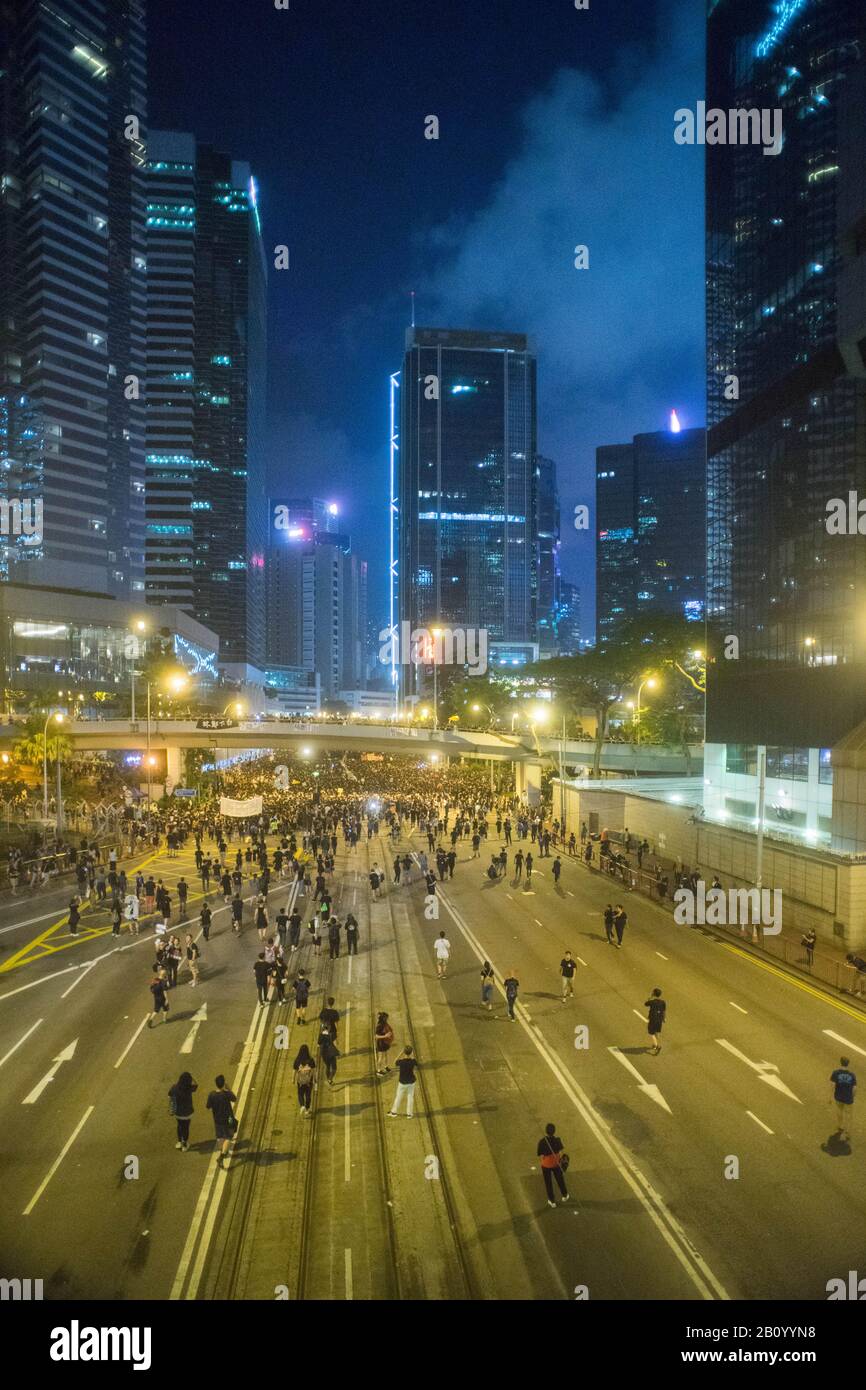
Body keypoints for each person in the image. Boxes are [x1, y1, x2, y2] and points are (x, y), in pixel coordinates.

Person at [206, 1075, 237, 1166]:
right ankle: (222, 1155)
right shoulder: (226, 1094)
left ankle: (223, 1149)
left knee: (220, 1136)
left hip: (217, 1119)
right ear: (223, 1083)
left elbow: (208, 1107)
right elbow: (234, 1099)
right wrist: (229, 1089)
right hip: (229, 1119)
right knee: (229, 1136)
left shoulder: (211, 1094)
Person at [537, 1122, 570, 1207]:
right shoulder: (557, 1140)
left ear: (546, 1131)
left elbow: (540, 1154)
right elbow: (561, 1151)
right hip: (556, 1163)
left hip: (546, 1165)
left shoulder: (542, 1142)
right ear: (554, 1131)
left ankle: (552, 1201)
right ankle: (565, 1195)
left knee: (548, 1183)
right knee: (560, 1180)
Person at [168, 1071, 197, 1151]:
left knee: (179, 1126)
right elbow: (196, 1085)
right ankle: (185, 1144)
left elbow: (169, 1095)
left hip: (178, 1112)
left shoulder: (174, 1087)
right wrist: (192, 1077)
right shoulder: (189, 1088)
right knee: (186, 1127)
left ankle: (179, 1142)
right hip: (187, 1112)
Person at [830, 1055, 856, 1142]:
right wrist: (852, 1096)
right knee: (848, 1115)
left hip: (838, 1096)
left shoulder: (836, 1073)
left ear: (841, 1063)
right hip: (848, 1098)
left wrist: (830, 1097)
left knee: (839, 1111)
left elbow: (832, 1085)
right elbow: (854, 1088)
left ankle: (840, 1126)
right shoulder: (852, 1075)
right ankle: (847, 1130)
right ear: (848, 1064)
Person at [388, 1045, 419, 1118]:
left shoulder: (401, 1062)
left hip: (402, 1082)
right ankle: (409, 1114)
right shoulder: (413, 1061)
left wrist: (401, 1053)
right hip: (411, 1082)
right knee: (410, 1097)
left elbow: (395, 1061)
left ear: (404, 1052)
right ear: (411, 1053)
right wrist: (411, 1054)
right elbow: (416, 1062)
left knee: (398, 1097)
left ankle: (393, 1112)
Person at [293, 1044, 316, 1114]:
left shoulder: (297, 1060)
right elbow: (313, 1071)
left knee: (300, 1094)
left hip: (300, 1081)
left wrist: (293, 1079)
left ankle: (302, 1105)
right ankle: (307, 1109)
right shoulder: (311, 1060)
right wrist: (314, 1079)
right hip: (309, 1081)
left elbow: (294, 1070)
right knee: (308, 1095)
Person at [645, 987, 666, 1054]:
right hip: (659, 1019)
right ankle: (655, 1044)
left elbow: (646, 1004)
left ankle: (657, 1046)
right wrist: (664, 1018)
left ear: (654, 993)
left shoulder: (652, 1002)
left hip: (653, 1019)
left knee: (651, 1033)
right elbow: (664, 1011)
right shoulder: (663, 1002)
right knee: (656, 1032)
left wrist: (650, 997)